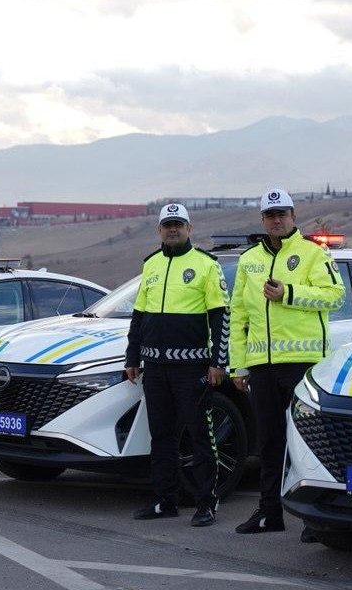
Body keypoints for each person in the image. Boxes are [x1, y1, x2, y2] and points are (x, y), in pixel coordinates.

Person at [229, 189, 345, 535]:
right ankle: (269, 513)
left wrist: (289, 294)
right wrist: (239, 365)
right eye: (270, 215)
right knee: (268, 442)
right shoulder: (249, 259)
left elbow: (335, 296)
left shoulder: (313, 253)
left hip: (302, 363)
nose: (276, 220)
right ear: (262, 220)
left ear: (293, 216)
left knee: (307, 442)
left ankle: (314, 518)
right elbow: (238, 315)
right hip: (261, 366)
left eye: (282, 214)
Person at [125, 203, 229, 527]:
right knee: (161, 437)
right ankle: (164, 500)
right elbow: (139, 316)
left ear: (189, 228)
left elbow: (220, 317)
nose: (173, 229)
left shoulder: (206, 265)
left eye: (178, 224)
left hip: (192, 368)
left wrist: (218, 362)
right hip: (154, 367)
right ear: (159, 230)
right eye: (167, 224)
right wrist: (132, 358)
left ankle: (206, 503)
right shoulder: (151, 265)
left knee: (200, 436)